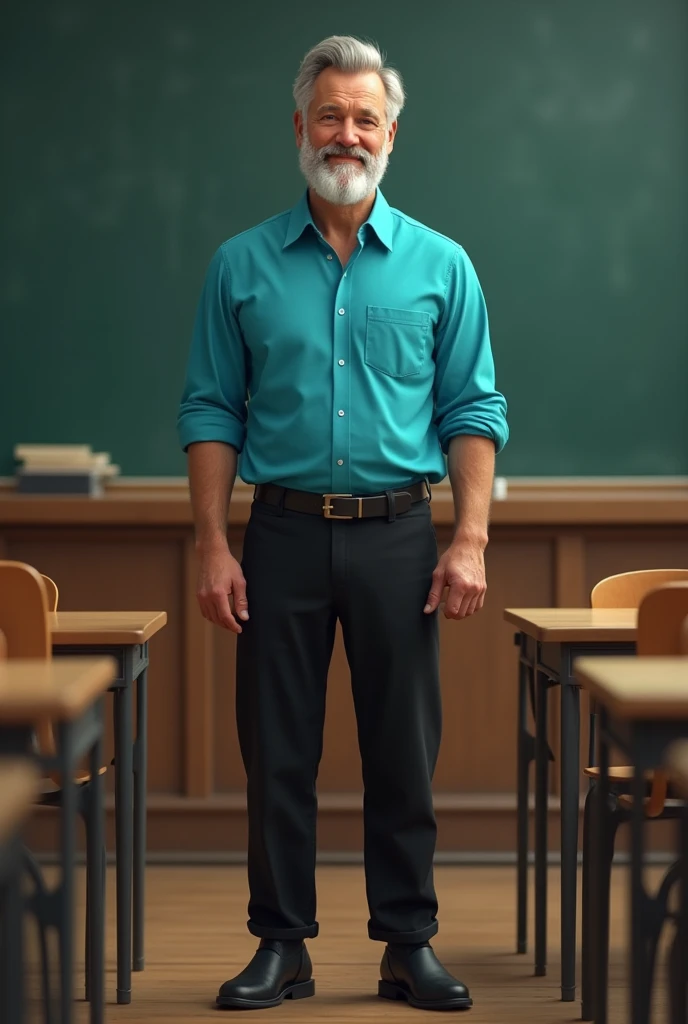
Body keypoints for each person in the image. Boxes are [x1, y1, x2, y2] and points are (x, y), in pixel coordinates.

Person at [177, 34, 508, 1013]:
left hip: (401, 536)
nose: (347, 133)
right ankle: (282, 945)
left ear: (391, 135)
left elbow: (472, 410)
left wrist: (470, 537)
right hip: (277, 534)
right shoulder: (238, 266)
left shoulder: (443, 268)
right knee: (277, 748)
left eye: (366, 117)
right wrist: (210, 540)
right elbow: (209, 409)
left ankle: (409, 942)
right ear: (298, 127)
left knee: (401, 750)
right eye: (330, 114)